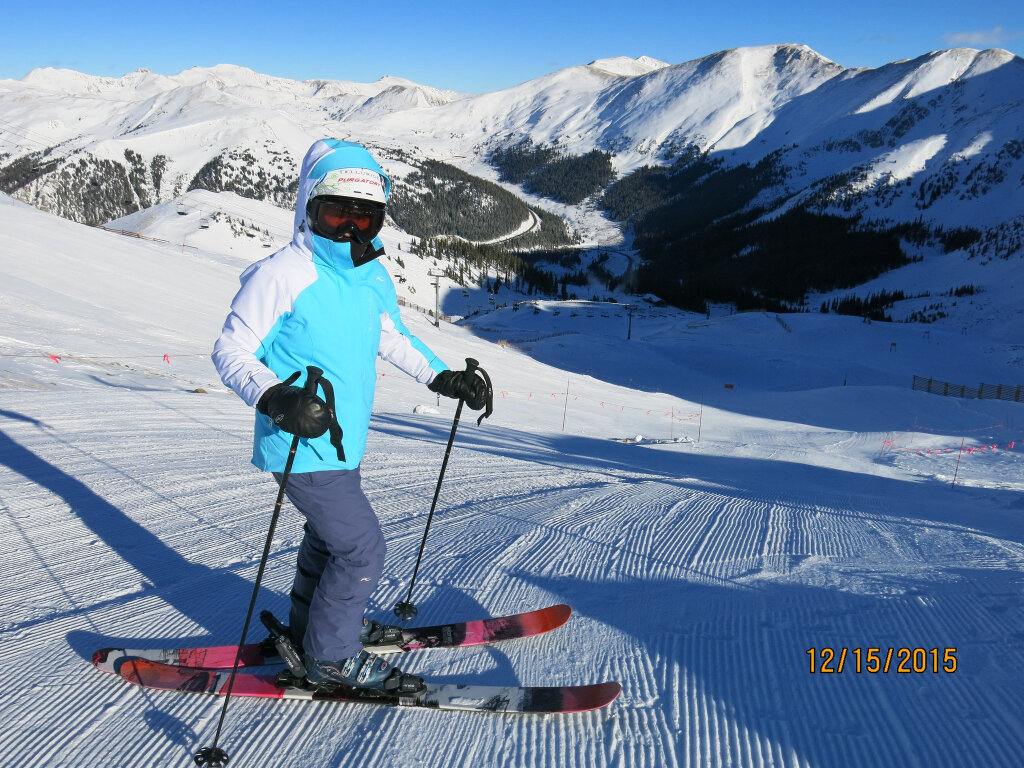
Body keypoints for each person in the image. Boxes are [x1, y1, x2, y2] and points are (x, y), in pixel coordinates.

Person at [212, 138, 489, 695]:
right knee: (361, 546)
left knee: (329, 537)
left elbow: (391, 335)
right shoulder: (283, 274)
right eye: (337, 212)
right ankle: (332, 657)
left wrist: (441, 377)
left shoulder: (369, 276)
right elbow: (230, 351)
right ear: (308, 208)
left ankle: (313, 628)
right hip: (299, 439)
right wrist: (274, 398)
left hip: (343, 441)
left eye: (366, 216)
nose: (351, 229)